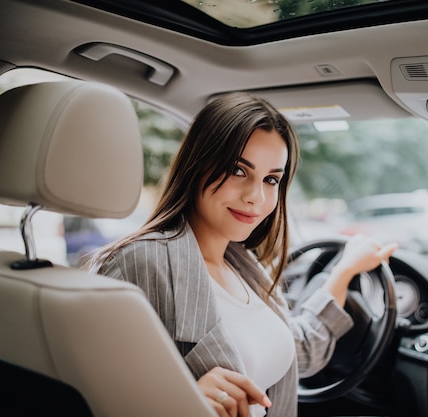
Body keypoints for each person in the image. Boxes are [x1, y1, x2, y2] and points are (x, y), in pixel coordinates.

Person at [87, 92, 396, 417]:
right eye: (238, 170)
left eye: (271, 179)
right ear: (198, 164)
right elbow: (91, 393)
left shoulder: (246, 267)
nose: (256, 196)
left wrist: (344, 271)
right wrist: (182, 399)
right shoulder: (138, 264)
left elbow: (300, 352)